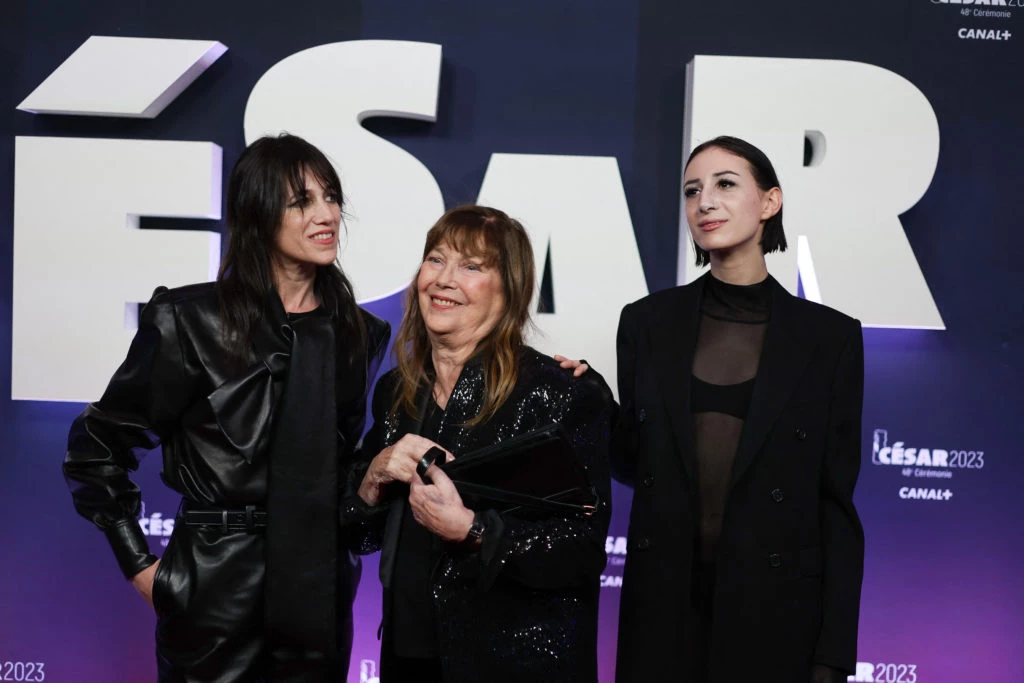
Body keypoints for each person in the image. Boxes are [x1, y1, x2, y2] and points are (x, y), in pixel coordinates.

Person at [63, 133, 390, 681]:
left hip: (319, 592)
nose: (326, 214)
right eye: (300, 201)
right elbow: (95, 449)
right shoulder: (189, 320)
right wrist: (143, 567)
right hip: (212, 588)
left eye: (331, 196)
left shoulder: (361, 334)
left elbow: (342, 468)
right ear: (258, 214)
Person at [612, 136, 864, 683]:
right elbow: (634, 458)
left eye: (726, 184)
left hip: (776, 617)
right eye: (691, 191)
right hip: (663, 613)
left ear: (769, 202)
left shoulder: (830, 338)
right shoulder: (646, 323)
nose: (704, 202)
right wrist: (581, 402)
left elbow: (835, 506)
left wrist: (833, 653)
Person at [343, 205, 614, 683]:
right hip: (408, 659)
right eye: (436, 259)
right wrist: (374, 475)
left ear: (510, 289)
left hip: (514, 666)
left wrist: (472, 530)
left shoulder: (559, 392)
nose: (444, 279)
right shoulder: (397, 391)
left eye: (471, 266)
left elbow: (583, 550)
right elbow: (360, 535)